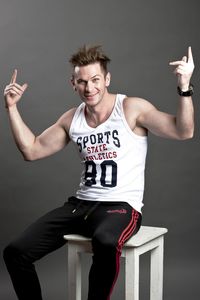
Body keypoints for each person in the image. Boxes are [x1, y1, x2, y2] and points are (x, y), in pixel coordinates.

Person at [3, 45, 194, 300]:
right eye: (82, 82)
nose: (89, 88)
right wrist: (12, 108)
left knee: (104, 241)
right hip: (81, 206)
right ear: (73, 84)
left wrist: (184, 87)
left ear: (107, 79)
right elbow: (32, 150)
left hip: (121, 206)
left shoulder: (131, 109)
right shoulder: (73, 119)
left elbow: (184, 131)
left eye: (95, 80)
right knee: (15, 252)